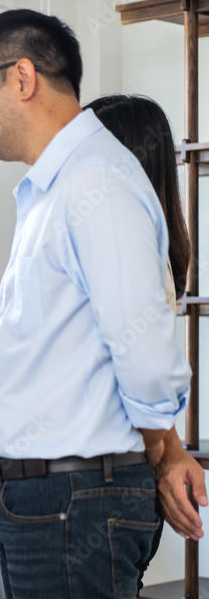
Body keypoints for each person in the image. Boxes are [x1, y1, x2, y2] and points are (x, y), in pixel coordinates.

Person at [0, 10, 192, 599]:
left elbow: (142, 349)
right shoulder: (56, 188)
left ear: (22, 77)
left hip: (72, 502)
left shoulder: (97, 180)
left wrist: (162, 453)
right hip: (49, 500)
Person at [84, 94, 207, 542]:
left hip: (102, 484)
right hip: (116, 479)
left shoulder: (127, 247)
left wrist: (159, 446)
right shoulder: (139, 244)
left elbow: (141, 369)